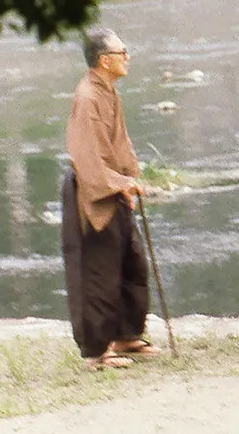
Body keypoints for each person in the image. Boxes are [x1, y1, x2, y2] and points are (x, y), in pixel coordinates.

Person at [61, 28, 160, 370]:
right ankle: (98, 351)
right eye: (123, 52)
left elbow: (121, 144)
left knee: (130, 264)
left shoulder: (110, 93)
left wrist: (131, 180)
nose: (127, 57)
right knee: (98, 273)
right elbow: (86, 157)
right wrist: (118, 183)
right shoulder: (87, 97)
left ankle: (127, 335)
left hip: (115, 188)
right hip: (93, 192)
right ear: (105, 60)